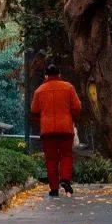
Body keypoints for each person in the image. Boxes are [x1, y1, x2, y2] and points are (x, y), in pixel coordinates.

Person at [30, 59, 82, 198]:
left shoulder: (39, 91)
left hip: (47, 131)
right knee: (66, 155)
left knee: (51, 159)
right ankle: (65, 179)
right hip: (65, 129)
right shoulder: (68, 87)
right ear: (59, 74)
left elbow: (34, 110)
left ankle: (54, 189)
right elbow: (77, 107)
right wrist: (71, 118)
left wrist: (42, 120)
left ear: (46, 76)